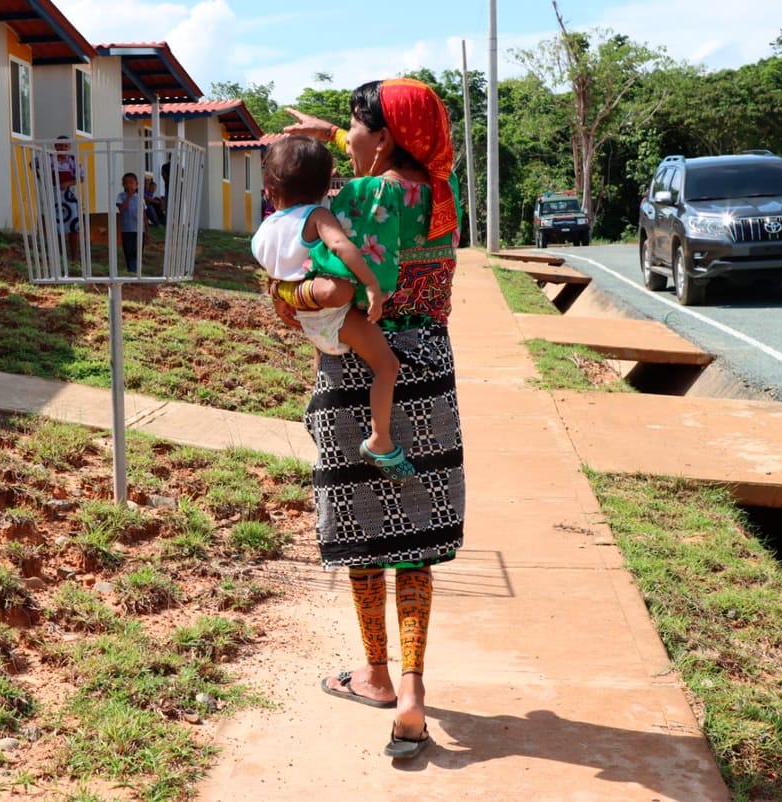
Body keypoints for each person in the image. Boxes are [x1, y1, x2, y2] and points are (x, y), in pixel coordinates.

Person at [278, 78, 465, 760]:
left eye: (356, 129)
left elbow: (319, 287)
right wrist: (330, 131)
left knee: (364, 533)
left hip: (356, 369)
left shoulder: (357, 199)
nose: (348, 140)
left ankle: (376, 675)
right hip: (431, 372)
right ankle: (412, 695)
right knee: (415, 538)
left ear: (383, 137)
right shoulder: (444, 201)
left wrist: (280, 290)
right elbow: (384, 160)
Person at [251, 134, 410, 480]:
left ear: (269, 187)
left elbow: (274, 273)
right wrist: (369, 282)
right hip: (336, 317)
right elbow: (340, 246)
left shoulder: (264, 230)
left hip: (306, 322)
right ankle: (380, 440)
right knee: (387, 366)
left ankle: (318, 413)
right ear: (326, 185)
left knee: (326, 369)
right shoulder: (317, 215)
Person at [46, 135, 85, 260]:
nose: (62, 148)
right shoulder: (49, 158)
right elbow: (33, 165)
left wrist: (68, 183)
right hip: (54, 197)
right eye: (60, 145)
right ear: (55, 146)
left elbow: (81, 177)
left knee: (73, 226)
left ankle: (74, 256)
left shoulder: (73, 161)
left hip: (69, 198)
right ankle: (58, 256)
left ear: (69, 147)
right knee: (56, 226)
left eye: (65, 145)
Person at [115, 172, 142, 274]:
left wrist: (147, 231)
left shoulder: (140, 198)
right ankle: (132, 271)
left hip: (139, 230)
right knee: (128, 251)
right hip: (127, 229)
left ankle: (136, 271)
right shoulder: (121, 196)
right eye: (126, 183)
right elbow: (121, 209)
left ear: (136, 184)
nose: (129, 185)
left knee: (137, 251)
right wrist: (129, 197)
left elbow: (144, 215)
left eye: (131, 182)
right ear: (123, 185)